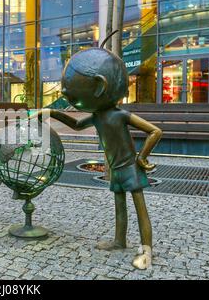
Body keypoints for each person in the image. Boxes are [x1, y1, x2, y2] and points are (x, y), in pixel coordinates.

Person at [32, 33, 162, 270]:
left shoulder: (121, 115)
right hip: (116, 169)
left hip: (129, 167)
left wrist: (142, 158)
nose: (65, 95)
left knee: (140, 209)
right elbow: (76, 125)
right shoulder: (98, 116)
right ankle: (119, 240)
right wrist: (51, 113)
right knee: (119, 204)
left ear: (101, 86)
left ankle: (147, 252)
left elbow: (155, 131)